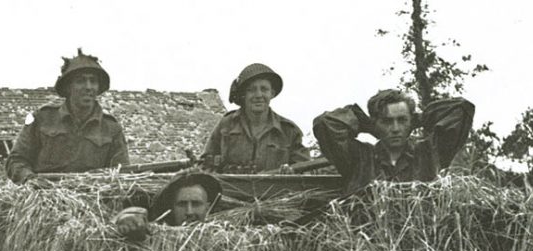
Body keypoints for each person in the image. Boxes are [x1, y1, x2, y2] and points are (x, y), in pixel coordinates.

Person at [312, 89, 475, 194]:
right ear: (376, 123)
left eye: (402, 120)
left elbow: (461, 109)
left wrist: (419, 119)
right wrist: (368, 125)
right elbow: (325, 124)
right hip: (366, 243)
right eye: (387, 121)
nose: (396, 128)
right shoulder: (359, 158)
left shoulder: (429, 152)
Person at [6, 49, 130, 184]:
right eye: (81, 81)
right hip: (45, 196)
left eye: (93, 81)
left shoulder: (111, 128)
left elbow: (121, 173)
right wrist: (30, 180)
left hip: (94, 198)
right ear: (68, 87)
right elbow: (16, 160)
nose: (88, 87)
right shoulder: (43, 119)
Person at [201, 63, 310, 174]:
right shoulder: (227, 125)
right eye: (251, 90)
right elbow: (205, 166)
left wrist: (290, 173)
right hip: (230, 189)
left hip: (276, 190)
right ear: (243, 95)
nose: (258, 95)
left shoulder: (288, 131)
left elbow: (304, 171)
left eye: (264, 89)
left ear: (272, 93)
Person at [114, 170, 221, 240]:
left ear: (208, 207)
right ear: (172, 208)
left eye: (196, 204)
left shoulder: (220, 237)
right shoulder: (157, 237)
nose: (189, 211)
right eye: (182, 204)